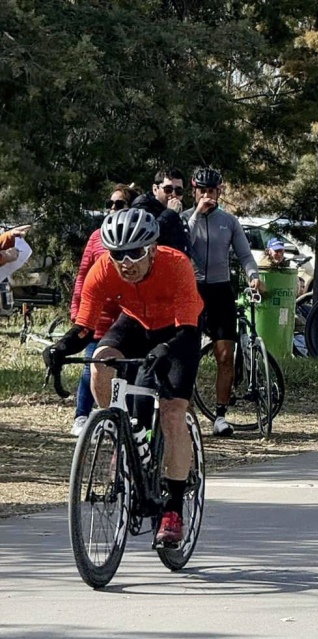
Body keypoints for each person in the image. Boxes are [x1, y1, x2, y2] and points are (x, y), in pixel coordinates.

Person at [43, 207, 202, 547]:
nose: (126, 262)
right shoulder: (103, 271)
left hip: (176, 331)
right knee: (101, 358)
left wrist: (166, 351)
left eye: (135, 253)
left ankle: (173, 510)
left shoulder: (177, 265)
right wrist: (61, 347)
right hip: (135, 324)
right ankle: (116, 428)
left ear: (153, 248)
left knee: (173, 412)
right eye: (117, 254)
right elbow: (85, 327)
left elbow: (189, 329)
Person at [182, 167, 261, 437]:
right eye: (202, 190)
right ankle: (184, 408)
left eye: (212, 191)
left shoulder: (229, 221)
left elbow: (245, 255)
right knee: (186, 353)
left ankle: (220, 415)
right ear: (194, 192)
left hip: (219, 290)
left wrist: (253, 275)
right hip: (191, 289)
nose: (207, 195)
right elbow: (184, 243)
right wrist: (196, 214)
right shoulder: (184, 218)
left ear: (219, 192)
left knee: (225, 355)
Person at [67, 184, 138, 435]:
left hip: (127, 319)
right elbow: (84, 274)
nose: (112, 208)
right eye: (110, 204)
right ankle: (83, 416)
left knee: (125, 372)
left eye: (119, 204)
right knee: (91, 367)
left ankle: (124, 418)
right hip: (98, 316)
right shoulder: (97, 236)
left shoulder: (139, 237)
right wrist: (77, 311)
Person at [131, 168, 191, 255]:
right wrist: (170, 212)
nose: (173, 194)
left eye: (179, 191)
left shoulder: (179, 210)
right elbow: (147, 236)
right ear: (155, 189)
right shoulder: (142, 206)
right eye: (168, 189)